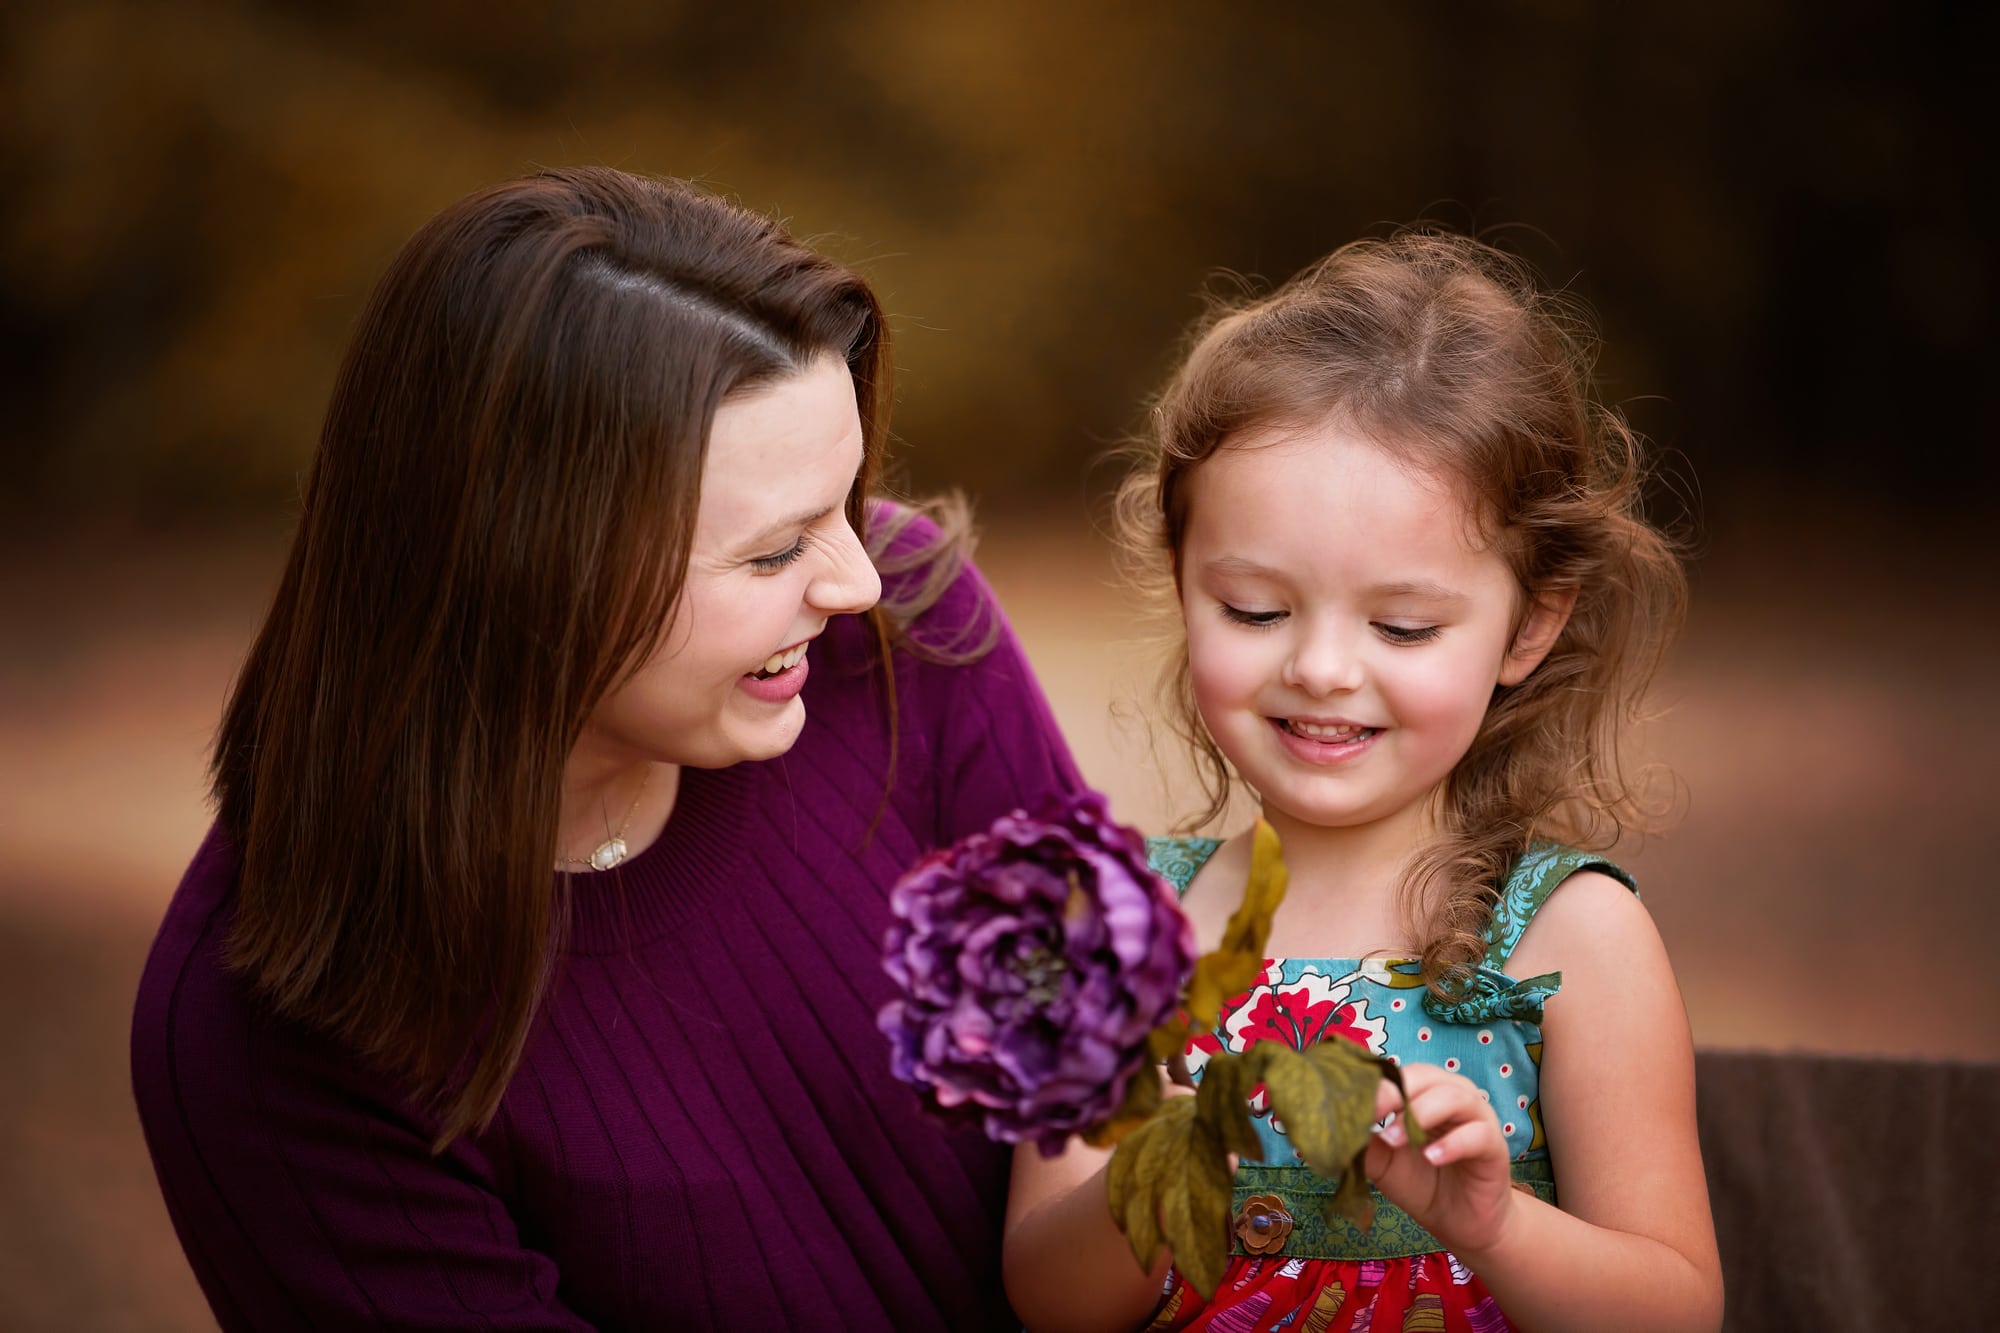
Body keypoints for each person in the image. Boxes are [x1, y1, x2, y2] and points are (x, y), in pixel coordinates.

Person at [130, 166, 1081, 1330]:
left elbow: (1115, 1045)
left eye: (845, 500)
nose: (858, 579)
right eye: (773, 551)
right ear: (526, 564)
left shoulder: (905, 645)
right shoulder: (275, 1037)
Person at [1003, 233, 1723, 1331]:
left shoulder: (1571, 937)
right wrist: (1156, 1164)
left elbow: (1674, 1309)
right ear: (1181, 581)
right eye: (1253, 609)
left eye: (1401, 624)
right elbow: (1047, 1300)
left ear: (1529, 623)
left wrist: (1490, 1226)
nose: (1322, 667)